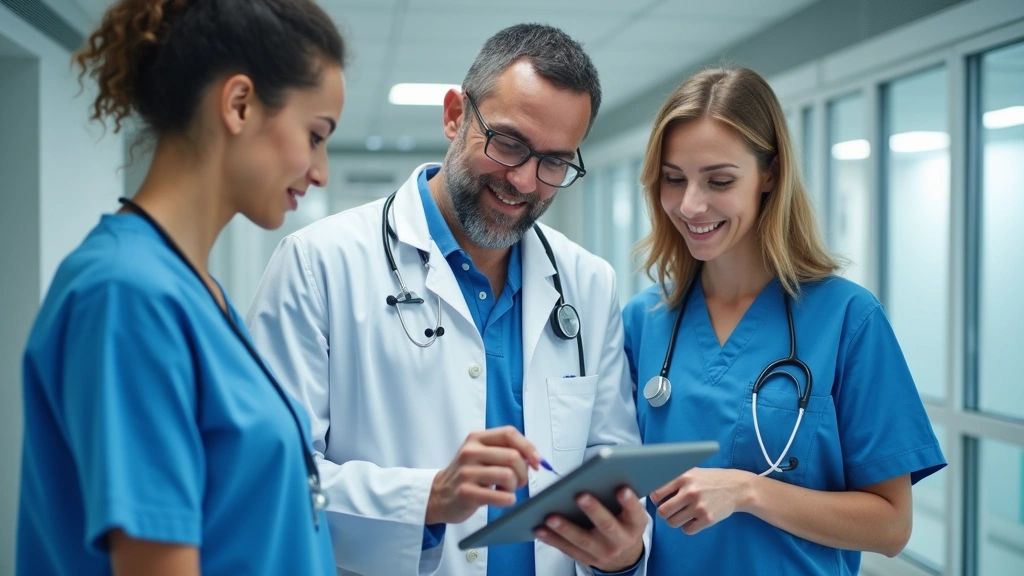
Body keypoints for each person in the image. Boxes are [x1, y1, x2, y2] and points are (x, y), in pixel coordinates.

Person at [246, 23, 649, 576]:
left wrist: (624, 555)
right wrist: (428, 498)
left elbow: (612, 466)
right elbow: (269, 478)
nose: (526, 182)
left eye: (554, 162)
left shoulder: (589, 282)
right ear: (456, 114)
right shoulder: (318, 264)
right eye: (509, 143)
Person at [16, 1, 345, 574]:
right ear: (239, 104)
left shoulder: (199, 294)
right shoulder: (127, 296)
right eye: (315, 136)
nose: (321, 172)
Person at [621, 66, 947, 575]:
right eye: (673, 178)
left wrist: (748, 490)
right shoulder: (643, 321)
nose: (690, 204)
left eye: (719, 180)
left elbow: (891, 526)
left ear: (769, 174)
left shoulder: (847, 319)